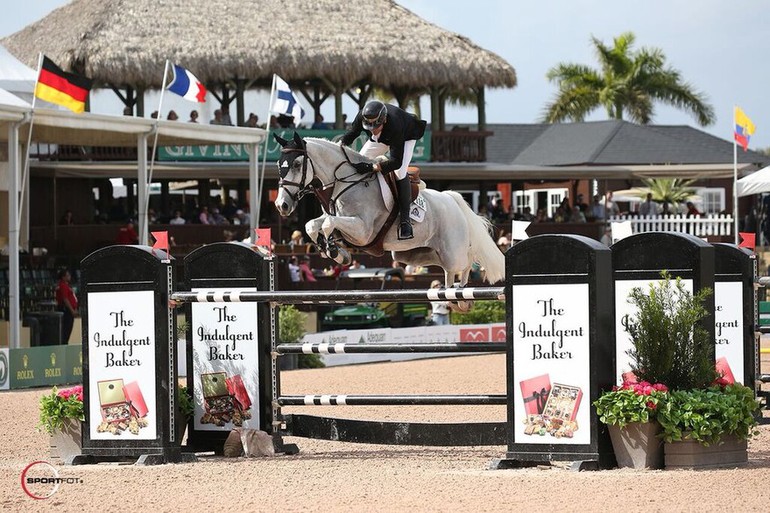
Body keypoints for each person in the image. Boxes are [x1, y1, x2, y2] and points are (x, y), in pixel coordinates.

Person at [341, 100, 427, 240]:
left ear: (384, 119)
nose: (373, 130)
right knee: (359, 159)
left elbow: (396, 162)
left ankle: (405, 221)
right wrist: (339, 145)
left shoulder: (395, 126)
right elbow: (352, 133)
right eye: (369, 127)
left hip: (406, 136)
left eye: (376, 126)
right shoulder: (362, 116)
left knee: (400, 173)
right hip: (383, 138)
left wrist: (372, 167)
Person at [55, 269, 78, 343]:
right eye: (67, 275)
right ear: (63, 277)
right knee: (66, 330)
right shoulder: (63, 286)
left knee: (67, 330)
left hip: (69, 310)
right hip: (66, 311)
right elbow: (65, 299)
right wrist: (72, 310)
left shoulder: (66, 285)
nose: (69, 277)